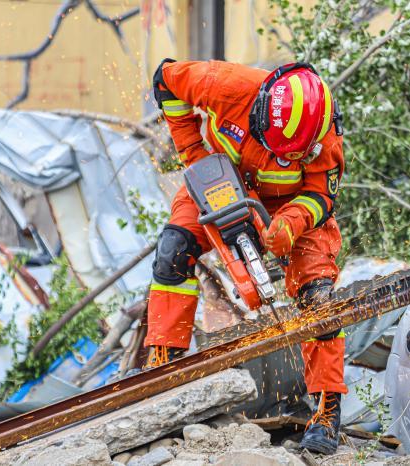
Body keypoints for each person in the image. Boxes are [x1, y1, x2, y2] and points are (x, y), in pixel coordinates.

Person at [147, 59, 346, 454]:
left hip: (288, 206)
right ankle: (162, 367)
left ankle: (326, 412)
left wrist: (290, 222)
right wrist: (194, 155)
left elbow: (322, 195)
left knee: (318, 298)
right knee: (173, 253)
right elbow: (165, 80)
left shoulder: (322, 136)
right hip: (218, 180)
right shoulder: (225, 85)